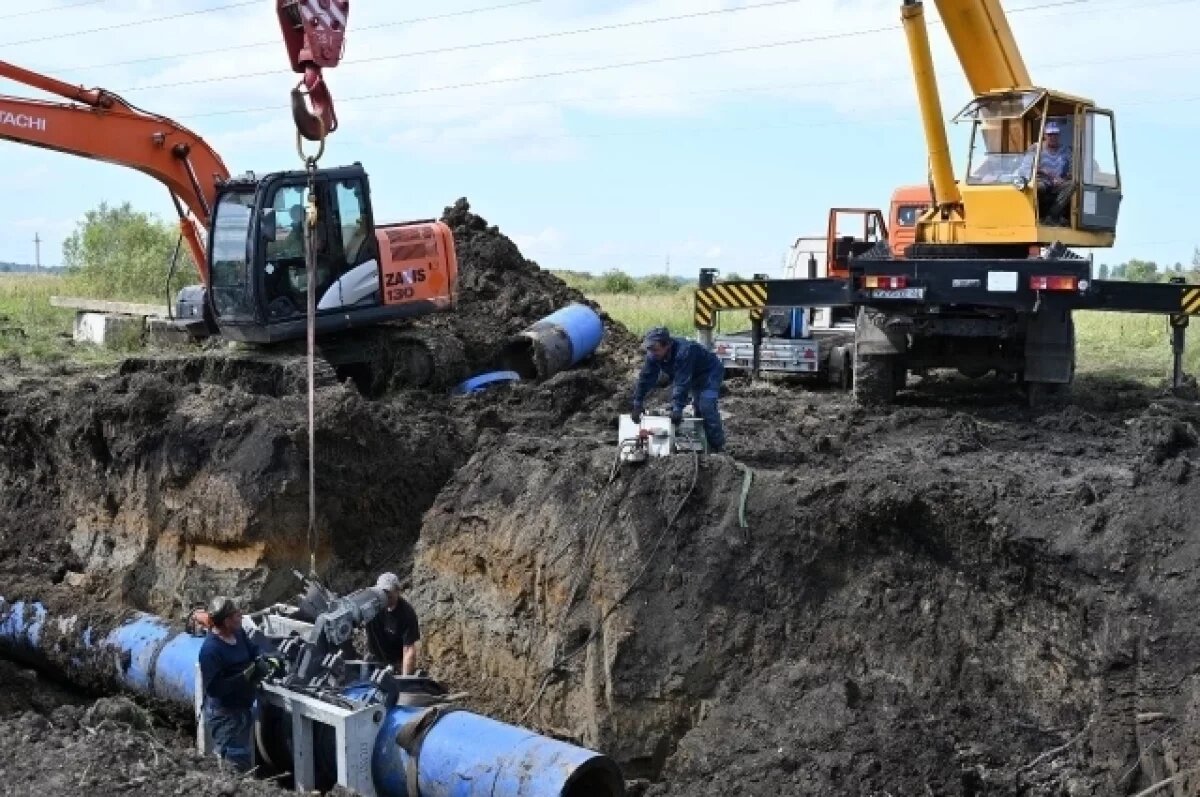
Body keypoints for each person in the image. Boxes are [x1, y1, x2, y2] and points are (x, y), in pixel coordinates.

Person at [198, 596, 281, 773]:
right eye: (236, 614)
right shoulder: (210, 651)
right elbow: (214, 689)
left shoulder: (238, 633)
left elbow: (253, 649)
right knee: (235, 765)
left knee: (244, 760)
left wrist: (265, 657)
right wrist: (245, 675)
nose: (241, 615)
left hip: (244, 711)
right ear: (226, 621)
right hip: (227, 718)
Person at [630, 326, 726, 453]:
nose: (652, 353)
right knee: (698, 408)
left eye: (655, 349)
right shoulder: (653, 355)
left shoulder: (685, 351)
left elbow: (682, 382)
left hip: (709, 373)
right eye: (650, 349)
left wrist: (677, 408)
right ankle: (703, 444)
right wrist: (637, 403)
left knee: (706, 406)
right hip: (690, 374)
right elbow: (646, 378)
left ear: (667, 345)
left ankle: (718, 447)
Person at [1019, 119, 1074, 225]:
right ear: (1044, 135)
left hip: (1058, 182)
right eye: (1050, 134)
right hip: (1041, 179)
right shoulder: (1035, 148)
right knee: (1038, 187)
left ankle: (1051, 216)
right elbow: (1026, 167)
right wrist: (1044, 171)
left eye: (1055, 134)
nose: (1053, 137)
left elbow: (1072, 170)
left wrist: (1063, 179)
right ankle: (1033, 216)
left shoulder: (1065, 150)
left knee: (1071, 185)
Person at [365, 572, 421, 675]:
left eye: (388, 593)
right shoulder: (371, 606)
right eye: (382, 593)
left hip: (396, 664)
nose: (385, 596)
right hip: (374, 659)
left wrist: (405, 680)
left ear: (397, 591)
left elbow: (409, 649)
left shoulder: (406, 613)